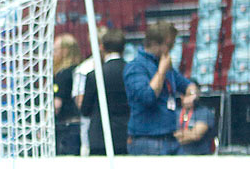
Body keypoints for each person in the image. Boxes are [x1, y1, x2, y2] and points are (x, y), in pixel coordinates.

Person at [125, 22, 200, 155]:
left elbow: (188, 85)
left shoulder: (165, 64)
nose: (171, 49)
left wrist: (192, 95)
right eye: (169, 45)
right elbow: (148, 97)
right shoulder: (135, 67)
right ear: (155, 43)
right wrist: (161, 71)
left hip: (171, 137)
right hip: (147, 140)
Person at [75, 28, 129, 156]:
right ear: (123, 48)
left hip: (99, 136)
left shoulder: (94, 75)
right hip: (125, 135)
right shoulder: (131, 72)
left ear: (102, 47)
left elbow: (85, 110)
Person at [52, 33, 82, 156]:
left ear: (65, 51)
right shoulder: (80, 70)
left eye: (55, 50)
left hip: (66, 128)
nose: (53, 54)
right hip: (79, 125)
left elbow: (56, 105)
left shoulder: (62, 74)